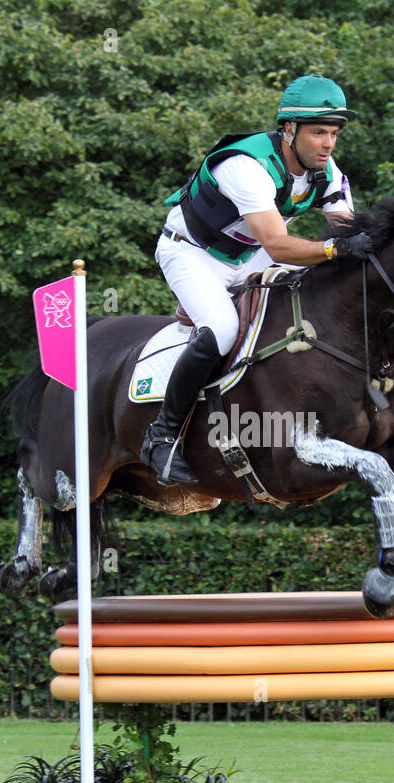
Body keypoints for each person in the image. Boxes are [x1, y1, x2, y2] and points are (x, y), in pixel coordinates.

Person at [143, 74, 376, 485]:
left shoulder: (328, 173)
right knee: (222, 330)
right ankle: (160, 437)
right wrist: (336, 250)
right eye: (318, 132)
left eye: (334, 133)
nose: (328, 144)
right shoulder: (246, 166)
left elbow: (346, 231)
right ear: (289, 129)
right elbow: (283, 245)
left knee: (317, 294)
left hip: (249, 253)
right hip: (192, 252)